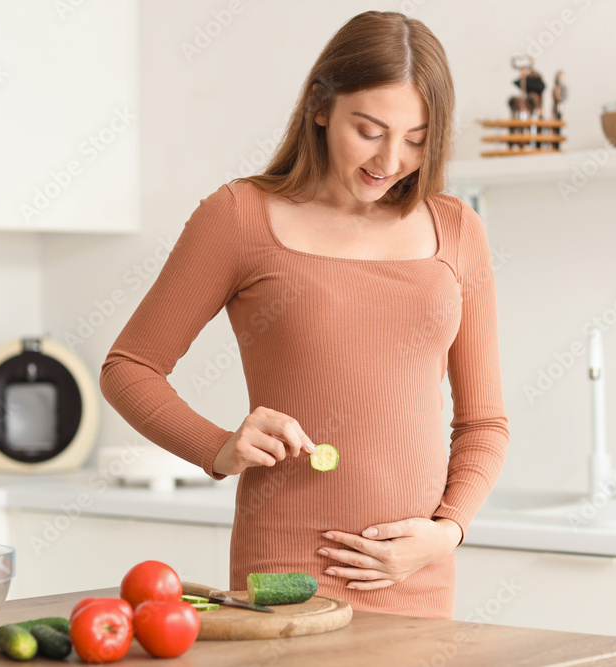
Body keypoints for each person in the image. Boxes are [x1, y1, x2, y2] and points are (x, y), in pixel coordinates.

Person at [99, 10, 508, 619]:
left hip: (416, 575)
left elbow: (483, 424)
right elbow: (128, 367)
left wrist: (446, 532)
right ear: (321, 105)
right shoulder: (238, 216)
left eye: (417, 138)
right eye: (368, 130)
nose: (391, 159)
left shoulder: (455, 228)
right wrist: (218, 447)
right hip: (287, 572)